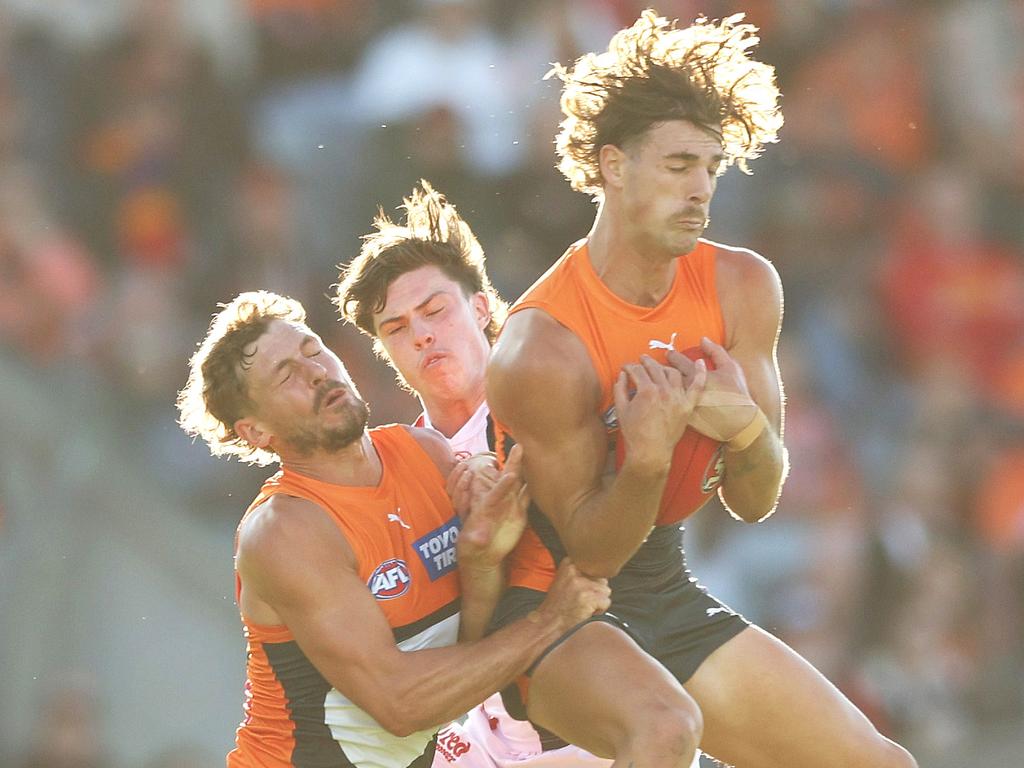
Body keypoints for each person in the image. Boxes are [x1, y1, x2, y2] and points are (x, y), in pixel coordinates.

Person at [477, 11, 917, 768]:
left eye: (712, 166)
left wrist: (746, 431)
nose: (702, 188)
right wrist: (646, 459)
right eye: (680, 165)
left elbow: (756, 498)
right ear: (614, 166)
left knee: (883, 764)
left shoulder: (745, 285)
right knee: (664, 730)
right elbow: (590, 554)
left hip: (662, 582)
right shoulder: (541, 346)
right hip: (550, 606)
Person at [176, 290, 610, 768]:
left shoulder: (427, 453)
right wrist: (551, 620)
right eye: (286, 375)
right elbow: (401, 705)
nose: (317, 371)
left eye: (313, 349)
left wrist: (482, 558)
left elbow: (468, 654)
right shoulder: (283, 531)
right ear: (255, 432)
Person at [338, 181, 649, 768]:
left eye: (434, 310)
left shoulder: (548, 401)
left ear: (481, 308)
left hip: (594, 719)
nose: (422, 334)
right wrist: (476, 557)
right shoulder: (397, 469)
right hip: (481, 733)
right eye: (396, 328)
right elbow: (437, 645)